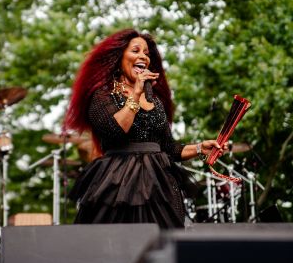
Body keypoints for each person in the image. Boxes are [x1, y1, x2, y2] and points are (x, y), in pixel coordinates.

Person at [64, 28, 227, 229]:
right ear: (118, 57)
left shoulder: (155, 101)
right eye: (136, 51)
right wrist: (136, 93)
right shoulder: (102, 95)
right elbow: (115, 130)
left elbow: (167, 147)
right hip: (118, 185)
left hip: (158, 185)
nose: (143, 56)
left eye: (147, 53)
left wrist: (201, 148)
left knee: (163, 245)